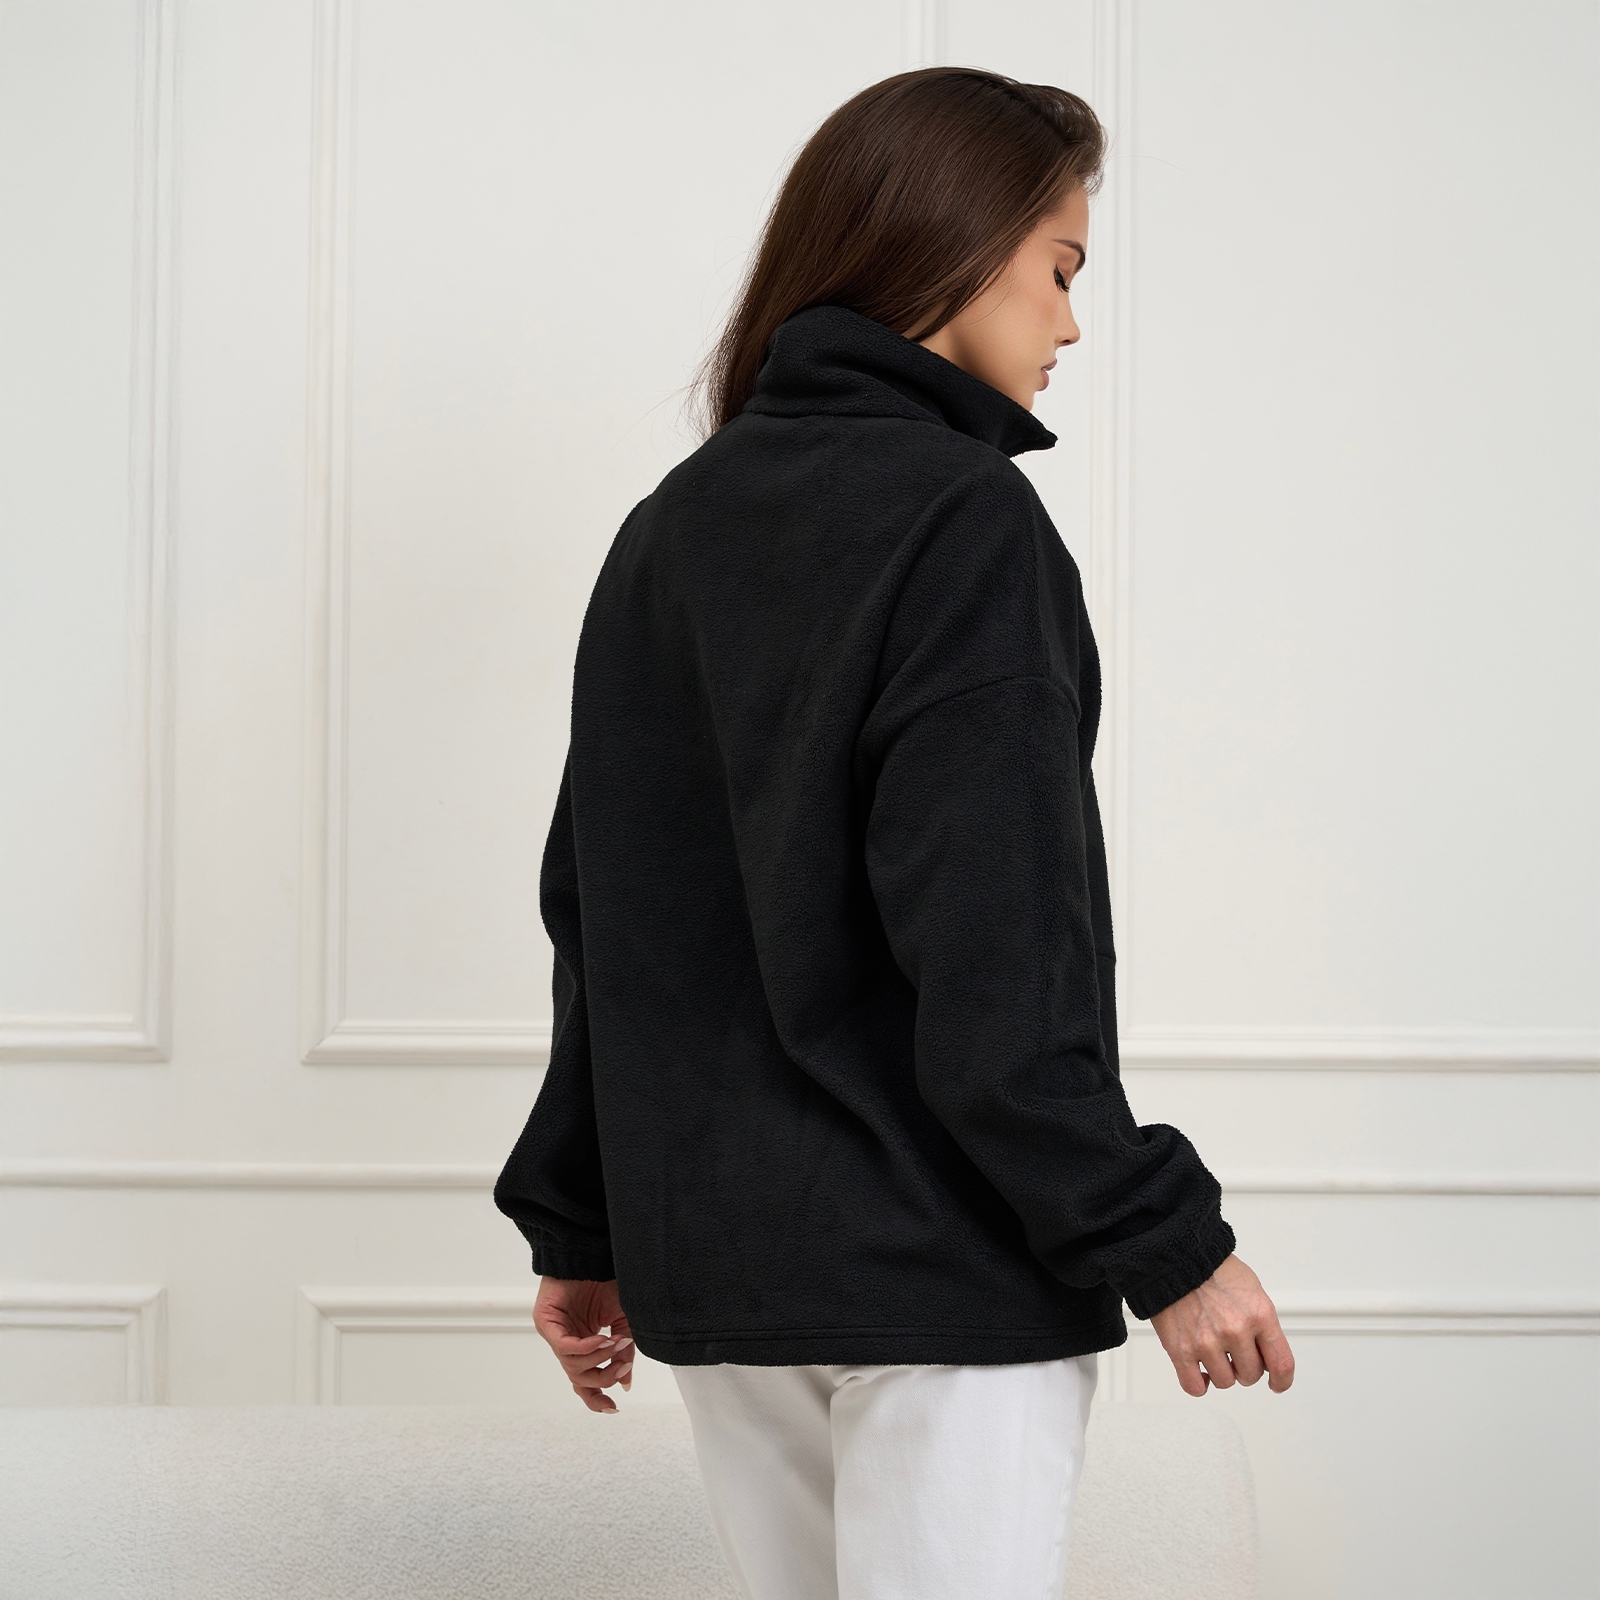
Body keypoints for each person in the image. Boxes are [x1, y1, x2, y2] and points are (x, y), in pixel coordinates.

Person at [495, 65, 1294, 1600]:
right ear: (956, 244)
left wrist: (578, 1224)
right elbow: (997, 953)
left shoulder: (669, 529)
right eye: (1061, 268)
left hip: (729, 1279)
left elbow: (606, 915)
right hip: (946, 1274)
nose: (1071, 325)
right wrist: (1170, 1249)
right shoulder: (963, 522)